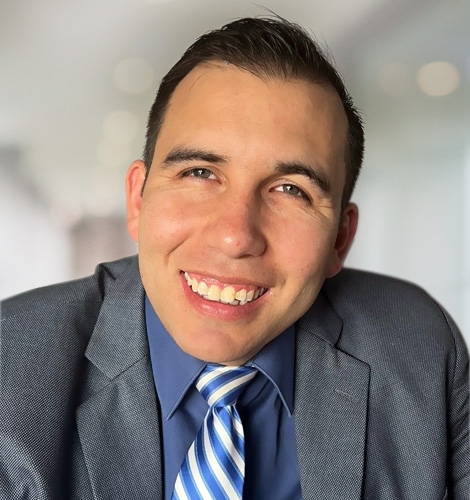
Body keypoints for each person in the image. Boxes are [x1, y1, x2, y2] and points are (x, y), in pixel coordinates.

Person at [0, 16, 468, 500]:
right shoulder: (10, 370)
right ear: (138, 200)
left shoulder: (419, 350)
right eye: (200, 173)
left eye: (291, 190)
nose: (235, 236)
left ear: (339, 240)